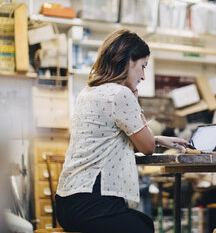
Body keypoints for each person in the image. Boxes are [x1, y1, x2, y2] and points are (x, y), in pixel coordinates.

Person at [55, 29, 188, 233]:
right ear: (127, 61)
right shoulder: (120, 94)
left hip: (67, 202)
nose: (143, 75)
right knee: (144, 227)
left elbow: (114, 136)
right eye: (142, 67)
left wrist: (159, 139)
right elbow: (148, 147)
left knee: (144, 223)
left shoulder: (88, 92)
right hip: (92, 202)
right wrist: (134, 97)